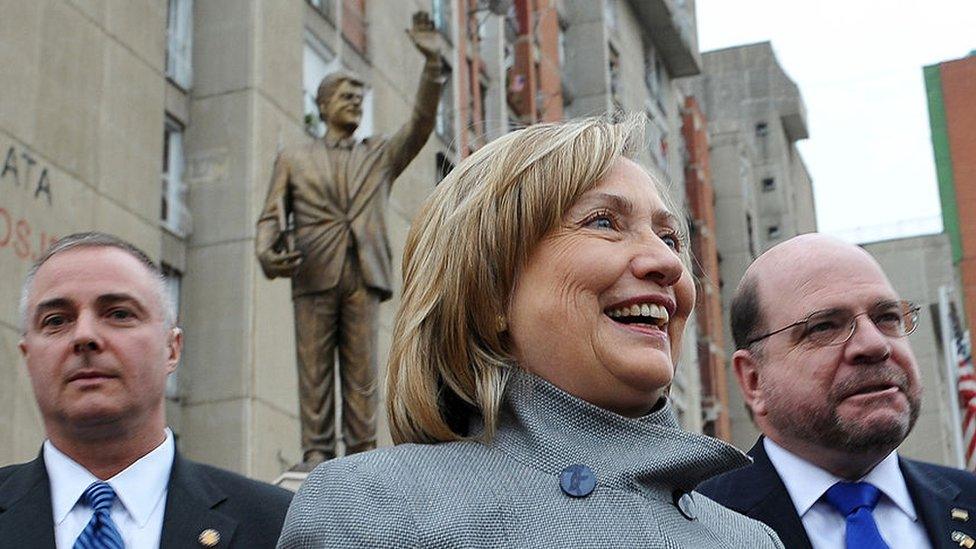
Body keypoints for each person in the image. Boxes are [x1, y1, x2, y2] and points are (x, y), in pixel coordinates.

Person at [277, 116, 783, 547]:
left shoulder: (750, 539)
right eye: (604, 222)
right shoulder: (372, 507)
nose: (667, 262)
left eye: (669, 237)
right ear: (490, 289)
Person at [0, 232, 292, 548]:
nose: (84, 336)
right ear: (27, 355)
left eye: (119, 314)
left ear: (172, 348)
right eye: (56, 320)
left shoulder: (281, 526)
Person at [697, 234, 976, 549]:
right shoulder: (693, 528)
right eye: (825, 326)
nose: (875, 344)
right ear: (753, 380)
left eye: (887, 318)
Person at [255, 12, 444, 470]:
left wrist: (433, 65)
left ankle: (361, 457)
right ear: (322, 105)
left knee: (362, 375)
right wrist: (266, 252)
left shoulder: (378, 155)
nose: (355, 103)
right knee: (314, 371)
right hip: (312, 269)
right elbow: (271, 214)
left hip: (363, 272)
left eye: (360, 96)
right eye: (346, 96)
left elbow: (420, 125)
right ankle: (315, 455)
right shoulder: (294, 158)